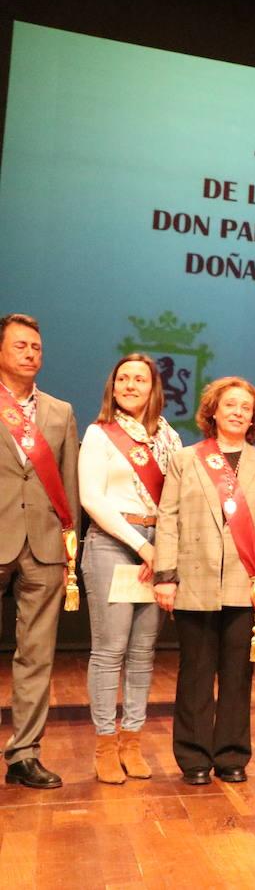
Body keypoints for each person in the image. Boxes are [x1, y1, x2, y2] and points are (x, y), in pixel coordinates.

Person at [154, 377, 255, 784]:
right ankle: (193, 758)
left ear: (253, 418)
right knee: (195, 671)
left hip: (246, 580)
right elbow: (168, 518)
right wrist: (165, 575)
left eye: (246, 407)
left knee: (237, 672)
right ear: (213, 411)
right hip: (194, 577)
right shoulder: (186, 459)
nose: (238, 412)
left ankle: (232, 755)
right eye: (230, 404)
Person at [78, 353, 182, 784]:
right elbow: (92, 499)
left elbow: (176, 500)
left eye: (140, 378)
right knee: (110, 652)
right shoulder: (100, 434)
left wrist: (165, 552)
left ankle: (132, 741)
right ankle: (105, 744)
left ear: (153, 388)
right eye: (123, 378)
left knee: (143, 653)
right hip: (113, 546)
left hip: (159, 548)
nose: (131, 385)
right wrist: (142, 545)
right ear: (113, 385)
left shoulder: (171, 438)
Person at [0, 313, 79, 790]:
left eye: (37, 348)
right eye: (21, 346)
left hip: (45, 546)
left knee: (36, 656)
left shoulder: (60, 411)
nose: (31, 354)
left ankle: (24, 754)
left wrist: (71, 543)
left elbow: (67, 482)